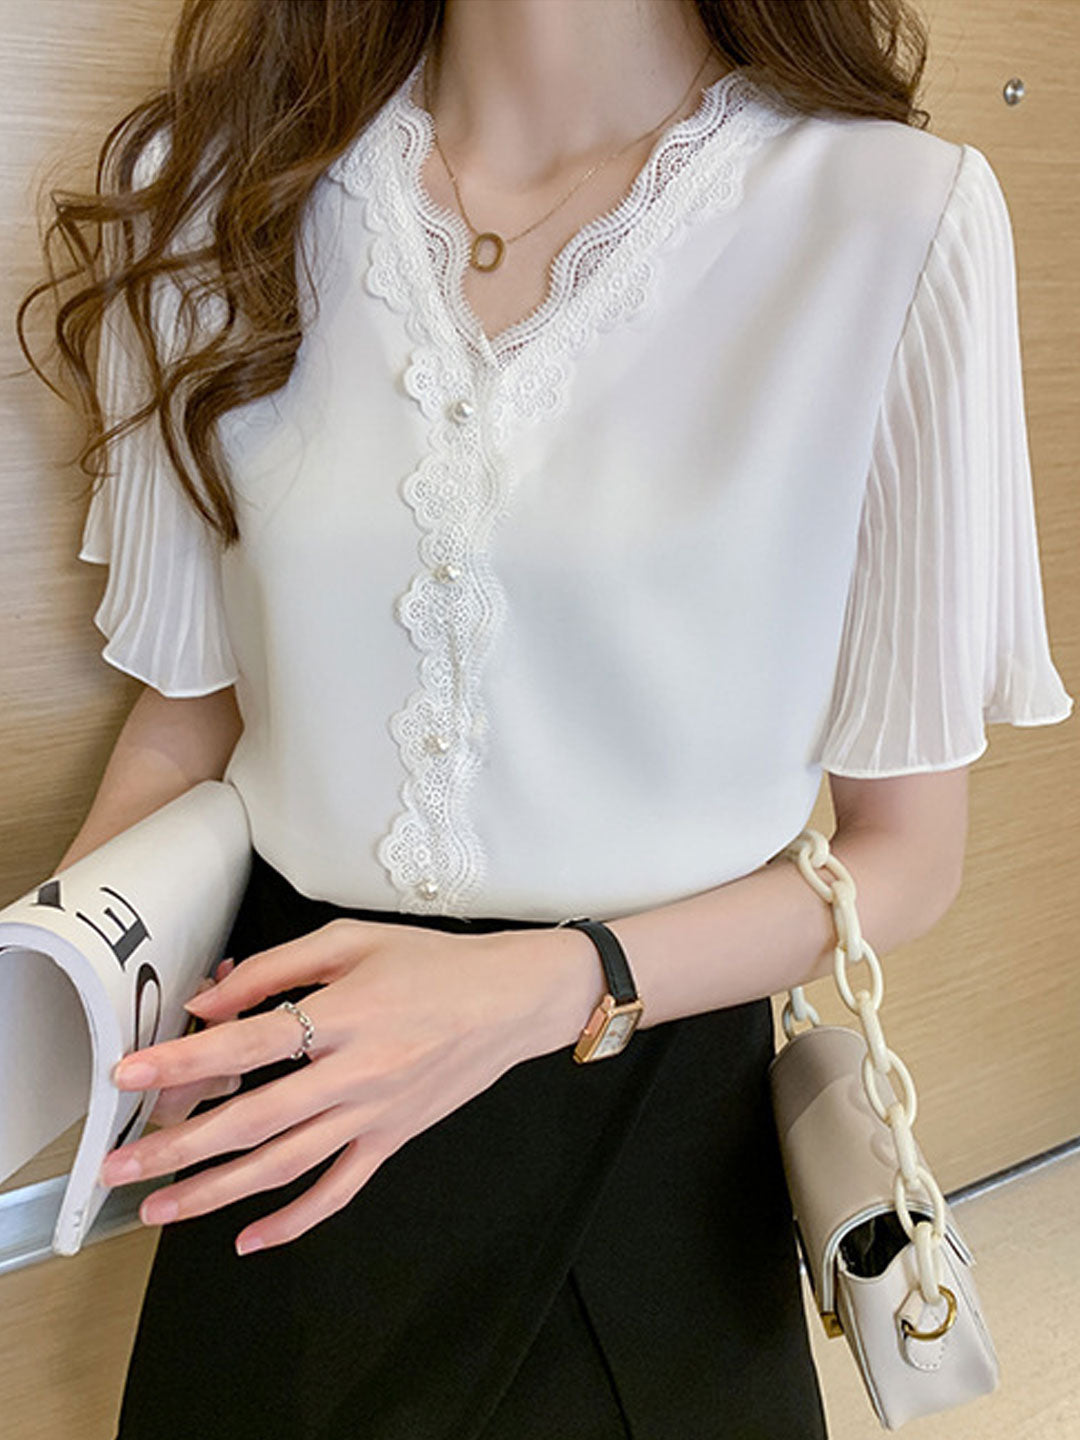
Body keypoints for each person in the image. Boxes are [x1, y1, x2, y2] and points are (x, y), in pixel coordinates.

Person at [20, 0, 1073, 1437]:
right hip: (288, 1107)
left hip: (647, 1117)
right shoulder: (224, 190)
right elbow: (187, 717)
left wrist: (539, 989)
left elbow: (905, 858)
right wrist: (66, 1012)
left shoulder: (892, 217)